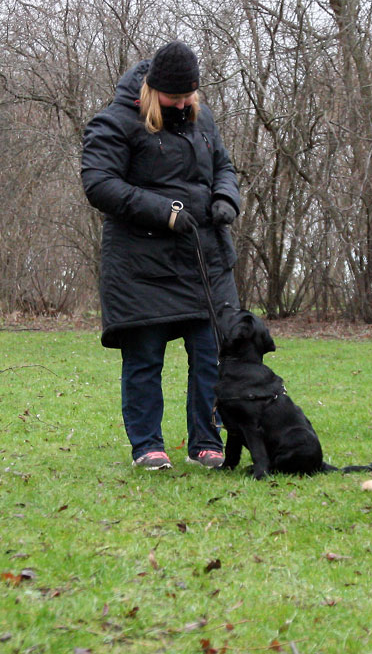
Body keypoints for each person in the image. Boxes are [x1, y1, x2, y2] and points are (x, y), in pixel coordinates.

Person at [81, 41, 241, 471]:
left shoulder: (202, 117)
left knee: (212, 354)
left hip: (205, 258)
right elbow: (99, 183)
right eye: (176, 96)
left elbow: (224, 165)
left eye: (190, 94)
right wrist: (166, 213)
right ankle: (147, 444)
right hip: (141, 265)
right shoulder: (115, 123)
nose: (185, 103)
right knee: (144, 358)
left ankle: (207, 439)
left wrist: (227, 198)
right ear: (153, 90)